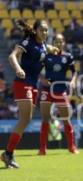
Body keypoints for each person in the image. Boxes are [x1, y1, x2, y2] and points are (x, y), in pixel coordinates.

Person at [1, 20, 56, 168]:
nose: (44, 33)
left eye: (46, 31)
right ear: (36, 30)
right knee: (25, 118)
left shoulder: (44, 46)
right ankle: (8, 154)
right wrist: (18, 69)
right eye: (42, 30)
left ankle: (8, 154)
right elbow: (12, 56)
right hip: (22, 83)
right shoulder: (28, 42)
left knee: (26, 119)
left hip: (33, 85)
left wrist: (45, 79)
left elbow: (44, 54)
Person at [38, 33, 78, 155]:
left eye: (61, 42)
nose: (59, 44)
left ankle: (71, 147)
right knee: (45, 119)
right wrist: (41, 79)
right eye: (56, 42)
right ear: (53, 43)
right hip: (47, 89)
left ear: (64, 43)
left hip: (60, 90)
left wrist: (72, 81)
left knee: (66, 119)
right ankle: (42, 149)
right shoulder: (46, 56)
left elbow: (74, 72)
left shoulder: (68, 56)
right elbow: (37, 70)